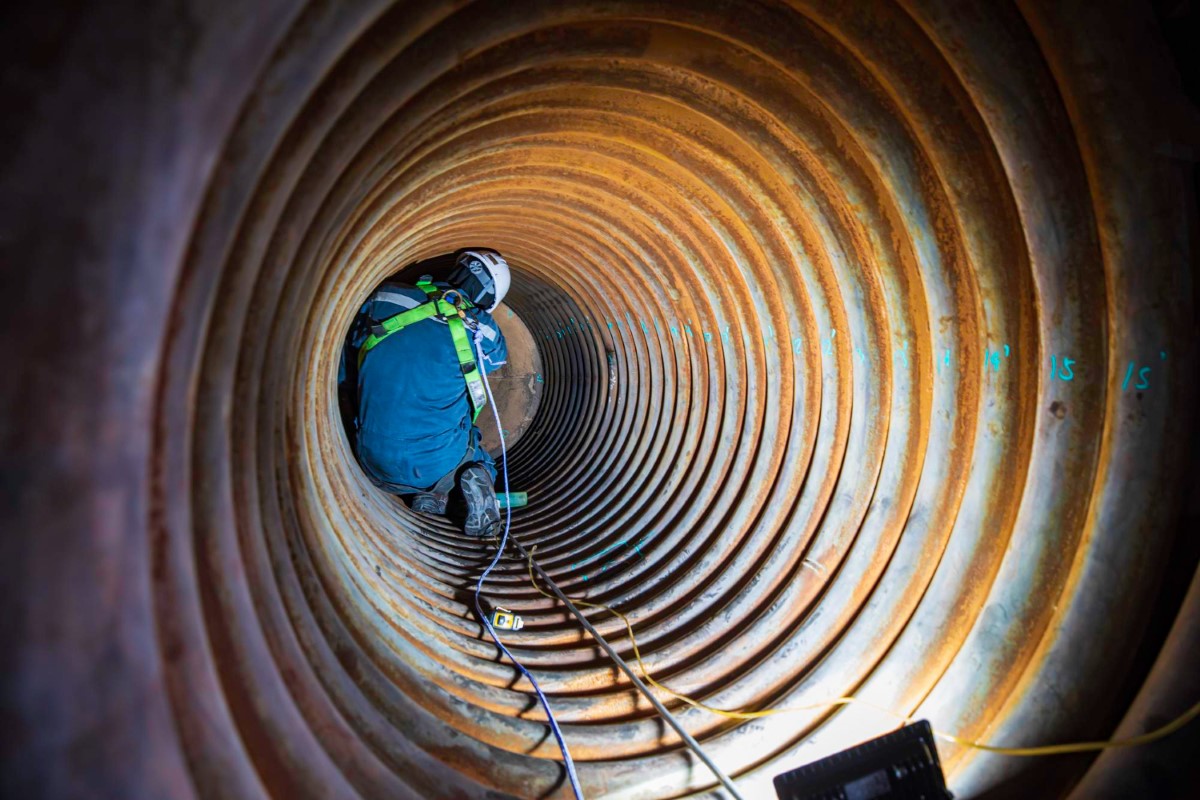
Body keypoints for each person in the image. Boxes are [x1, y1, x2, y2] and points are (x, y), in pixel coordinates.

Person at [340, 249, 510, 537]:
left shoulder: (385, 296)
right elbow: (498, 360)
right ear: (488, 300)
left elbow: (354, 345)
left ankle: (434, 496)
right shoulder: (482, 329)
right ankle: (461, 483)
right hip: (436, 464)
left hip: (369, 461)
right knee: (471, 438)